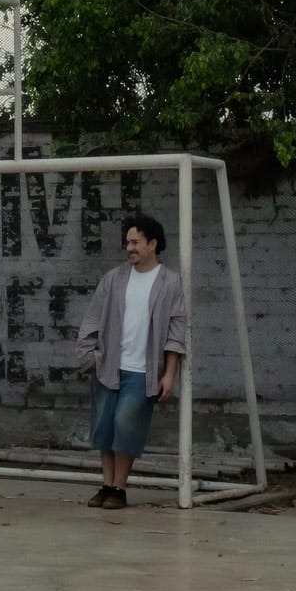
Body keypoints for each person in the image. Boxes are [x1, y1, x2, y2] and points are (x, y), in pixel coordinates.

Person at [76, 215, 186, 509]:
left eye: (135, 242)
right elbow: (92, 318)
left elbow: (176, 332)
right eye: (128, 242)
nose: (130, 248)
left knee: (126, 426)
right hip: (108, 366)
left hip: (143, 372)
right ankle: (106, 485)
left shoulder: (170, 282)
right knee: (104, 428)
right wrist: (90, 356)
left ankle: (120, 488)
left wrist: (169, 374)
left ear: (153, 243)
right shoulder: (114, 279)